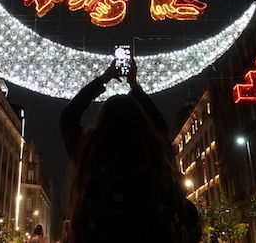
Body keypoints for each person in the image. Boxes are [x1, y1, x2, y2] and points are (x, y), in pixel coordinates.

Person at [60, 56, 200, 243]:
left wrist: (105, 77)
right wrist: (134, 85)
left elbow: (68, 117)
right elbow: (160, 124)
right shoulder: (151, 152)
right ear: (141, 120)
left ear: (102, 120)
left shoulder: (91, 153)